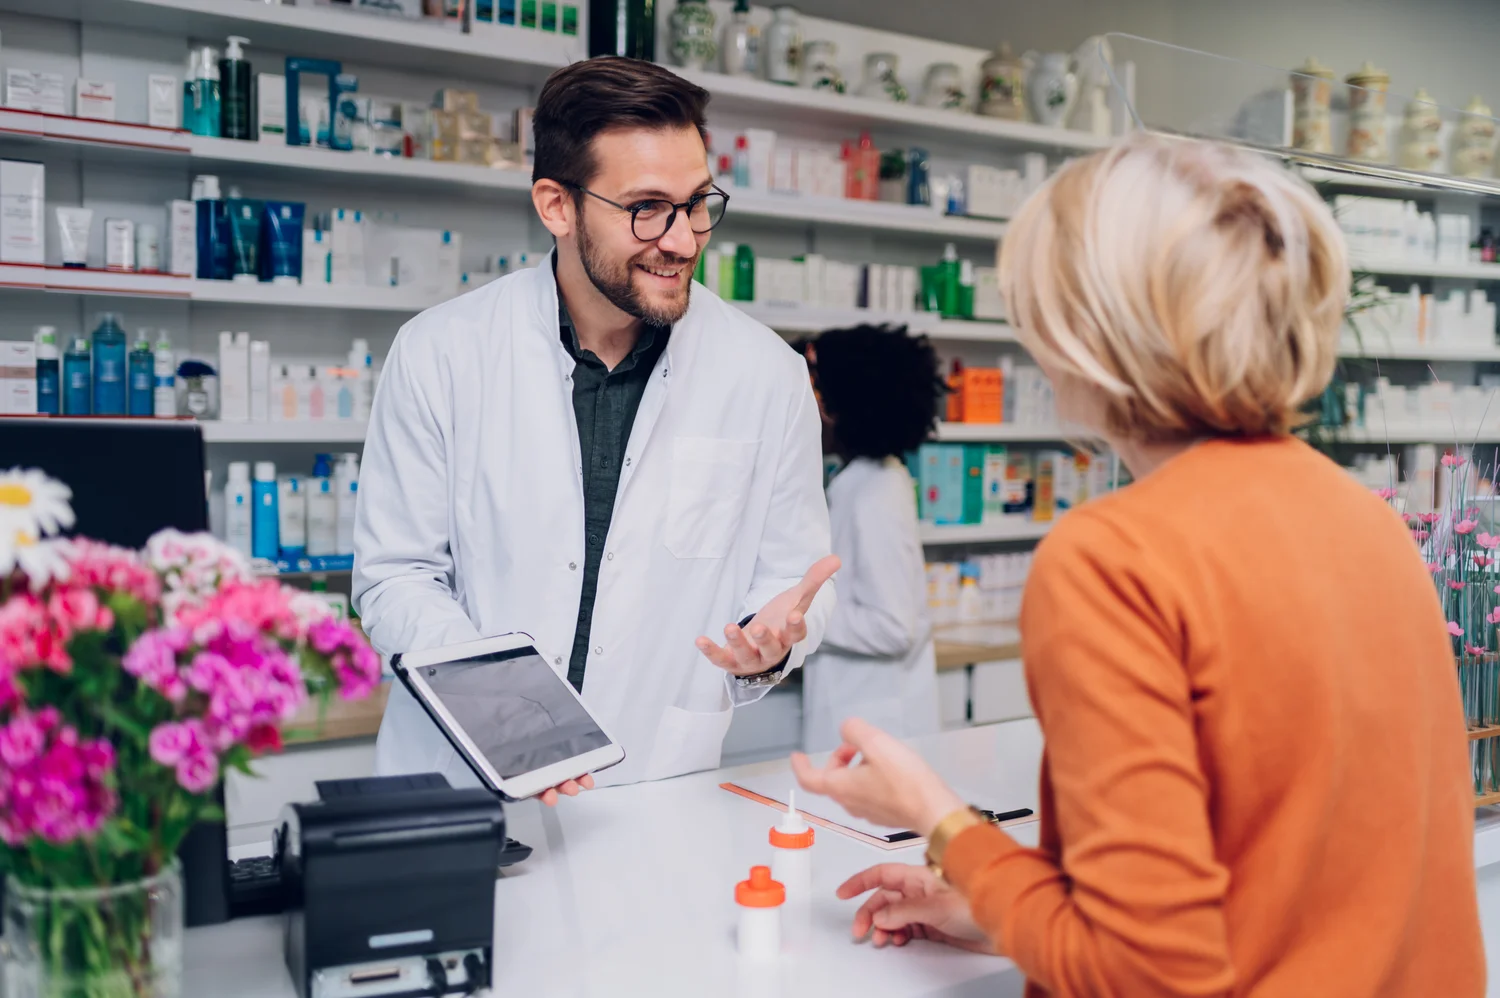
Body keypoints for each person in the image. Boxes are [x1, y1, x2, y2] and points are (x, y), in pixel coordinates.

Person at [792, 133, 1484, 995]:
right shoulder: (1368, 523)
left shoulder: (1113, 559)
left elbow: (1142, 975)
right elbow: (1291, 875)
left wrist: (938, 821)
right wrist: (1000, 904)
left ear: (1088, 336)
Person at [354, 56, 839, 796]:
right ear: (557, 206)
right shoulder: (442, 351)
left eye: (697, 202)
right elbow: (396, 576)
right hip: (461, 780)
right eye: (647, 207)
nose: (682, 240)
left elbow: (792, 580)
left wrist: (767, 648)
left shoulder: (765, 375)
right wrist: (503, 711)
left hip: (653, 784)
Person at [795, 326, 944, 753]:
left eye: (809, 395)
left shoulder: (877, 491)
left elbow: (893, 627)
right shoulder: (859, 480)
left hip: (879, 730)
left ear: (840, 407)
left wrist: (802, 613)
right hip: (858, 719)